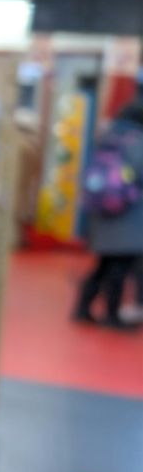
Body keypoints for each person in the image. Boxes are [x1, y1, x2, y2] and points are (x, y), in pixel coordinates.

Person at [75, 97, 143, 327]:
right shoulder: (137, 140)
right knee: (120, 266)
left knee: (104, 263)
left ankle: (82, 308)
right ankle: (112, 316)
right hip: (128, 214)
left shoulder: (108, 136)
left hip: (103, 210)